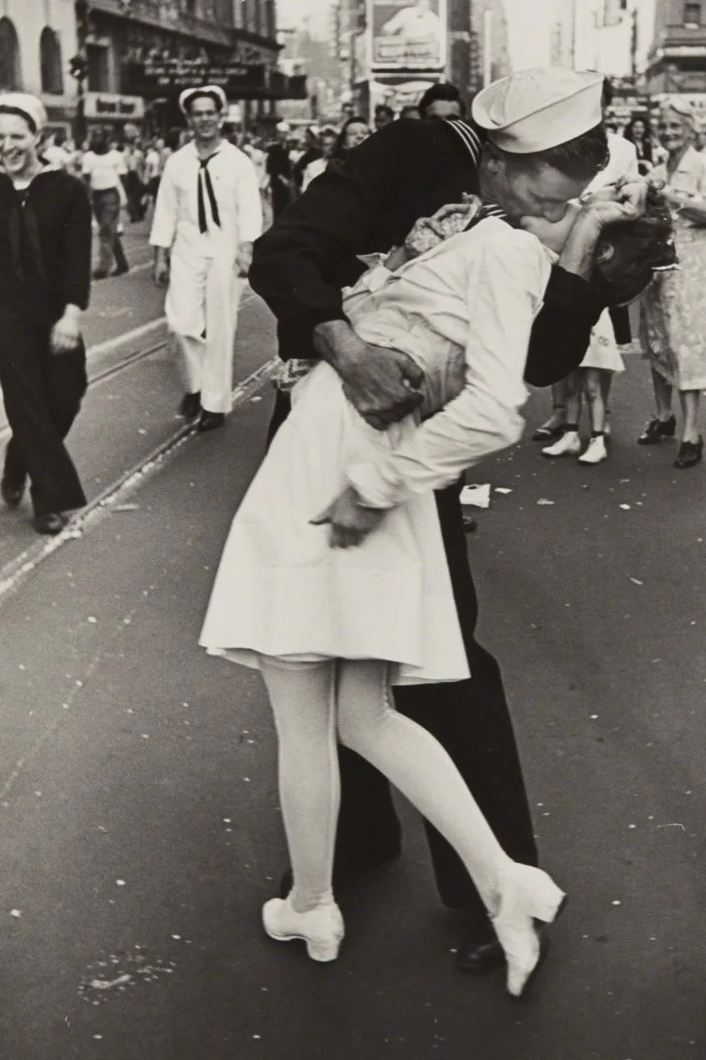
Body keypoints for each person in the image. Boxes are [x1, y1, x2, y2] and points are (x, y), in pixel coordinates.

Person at [247, 68, 644, 975]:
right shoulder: (417, 151)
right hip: (328, 412)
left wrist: (580, 267)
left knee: (439, 655)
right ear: (504, 156)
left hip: (419, 449)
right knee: (318, 649)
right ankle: (347, 848)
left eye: (576, 192)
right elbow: (286, 251)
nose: (556, 205)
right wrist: (342, 346)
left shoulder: (558, 221)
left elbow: (533, 365)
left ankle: (490, 883)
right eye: (550, 184)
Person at [0, 94, 92, 535]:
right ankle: (49, 501)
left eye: (16, 135)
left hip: (55, 309)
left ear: (38, 137)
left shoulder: (67, 191)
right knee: (27, 401)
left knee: (65, 396)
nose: (7, 145)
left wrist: (71, 315)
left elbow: (77, 257)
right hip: (6, 312)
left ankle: (18, 458)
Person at [149, 86, 262, 431]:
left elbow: (250, 210)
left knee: (221, 327)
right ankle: (194, 387)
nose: (205, 119)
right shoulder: (177, 162)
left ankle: (214, 404)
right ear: (189, 119)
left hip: (226, 252)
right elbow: (166, 211)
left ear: (220, 116)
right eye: (198, 113)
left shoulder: (238, 162)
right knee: (180, 324)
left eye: (210, 112)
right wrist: (160, 257)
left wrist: (246, 250)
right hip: (187, 250)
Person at [535, 98, 642, 449]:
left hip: (599, 257)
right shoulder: (555, 143)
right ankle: (562, 414)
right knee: (556, 334)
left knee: (596, 347)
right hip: (555, 249)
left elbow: (631, 202)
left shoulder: (623, 149)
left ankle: (599, 422)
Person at [638, 101, 706, 468]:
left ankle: (691, 433)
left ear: (692, 130)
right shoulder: (657, 169)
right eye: (663, 126)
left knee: (688, 344)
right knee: (659, 341)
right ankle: (664, 416)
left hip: (695, 264)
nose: (668, 132)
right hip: (659, 265)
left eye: (676, 126)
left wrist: (671, 197)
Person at [81, 130, 129, 279]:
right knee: (109, 231)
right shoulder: (88, 157)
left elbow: (123, 177)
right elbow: (86, 178)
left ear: (107, 139)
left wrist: (123, 197)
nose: (97, 140)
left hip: (111, 195)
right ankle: (122, 263)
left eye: (100, 136)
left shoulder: (115, 156)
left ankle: (103, 267)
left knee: (106, 230)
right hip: (96, 195)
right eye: (95, 136)